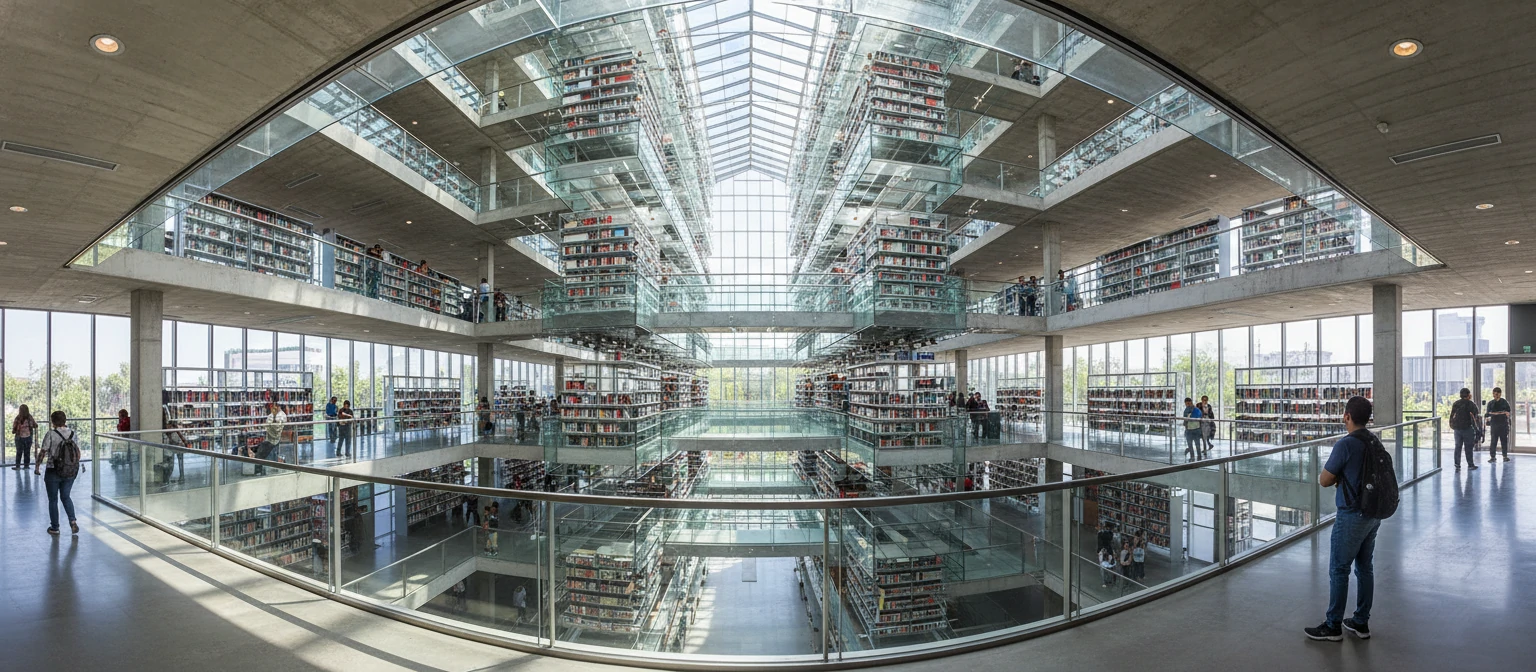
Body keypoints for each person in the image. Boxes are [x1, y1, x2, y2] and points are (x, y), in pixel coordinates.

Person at [1305, 395, 1383, 642]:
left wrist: (1337, 478)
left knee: (1339, 569)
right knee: (1365, 567)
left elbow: (1325, 479)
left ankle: (1333, 625)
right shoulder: (1373, 440)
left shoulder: (1346, 444)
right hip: (1373, 513)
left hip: (1351, 514)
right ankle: (1361, 622)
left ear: (1347, 416)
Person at [37, 411, 83, 535]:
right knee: (66, 496)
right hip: (70, 471)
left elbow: (43, 452)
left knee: (53, 499)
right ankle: (73, 522)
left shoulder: (51, 434)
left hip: (53, 470)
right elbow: (77, 453)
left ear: (53, 421)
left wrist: (37, 467)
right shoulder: (73, 434)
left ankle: (55, 527)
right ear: (65, 420)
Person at [1448, 387, 1481, 470]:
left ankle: (1457, 464)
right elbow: (1476, 416)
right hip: (1467, 428)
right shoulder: (1471, 404)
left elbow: (1452, 415)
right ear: (1469, 395)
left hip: (1457, 429)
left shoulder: (1456, 403)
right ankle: (1470, 464)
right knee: (1468, 447)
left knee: (1458, 446)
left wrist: (1452, 425)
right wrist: (1478, 429)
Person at [1486, 386, 1512, 463]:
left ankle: (1505, 456)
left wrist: (1495, 413)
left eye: (1497, 394)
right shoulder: (1490, 403)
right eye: (1494, 394)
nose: (1495, 396)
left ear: (1500, 394)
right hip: (1494, 424)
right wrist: (1501, 413)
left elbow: (1508, 412)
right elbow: (1488, 413)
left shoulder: (1504, 402)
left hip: (1503, 424)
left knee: (1504, 440)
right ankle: (1493, 457)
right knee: (1493, 441)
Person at [11, 403, 38, 470]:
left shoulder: (18, 418)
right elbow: (35, 425)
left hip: (19, 437)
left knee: (19, 452)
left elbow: (14, 428)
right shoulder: (30, 417)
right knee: (27, 452)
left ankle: (18, 466)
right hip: (28, 437)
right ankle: (26, 466)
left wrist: (14, 431)